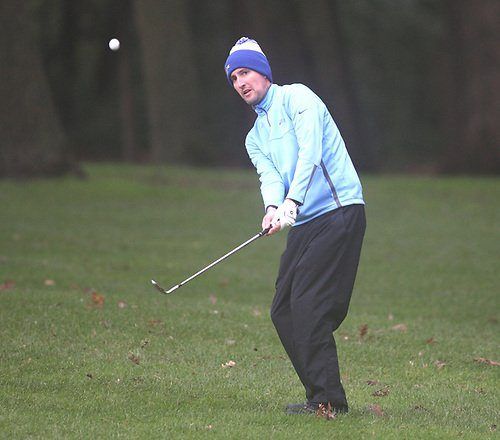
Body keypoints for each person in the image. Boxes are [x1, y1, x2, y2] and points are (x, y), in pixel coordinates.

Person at [224, 37, 366, 416]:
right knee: (283, 309)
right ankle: (319, 396)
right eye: (234, 77)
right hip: (304, 220)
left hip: (339, 210)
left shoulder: (298, 98)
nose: (240, 82)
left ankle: (328, 401)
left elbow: (311, 152)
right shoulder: (254, 137)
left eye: (246, 72)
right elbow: (269, 177)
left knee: (309, 305)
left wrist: (293, 201)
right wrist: (272, 207)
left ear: (264, 72)